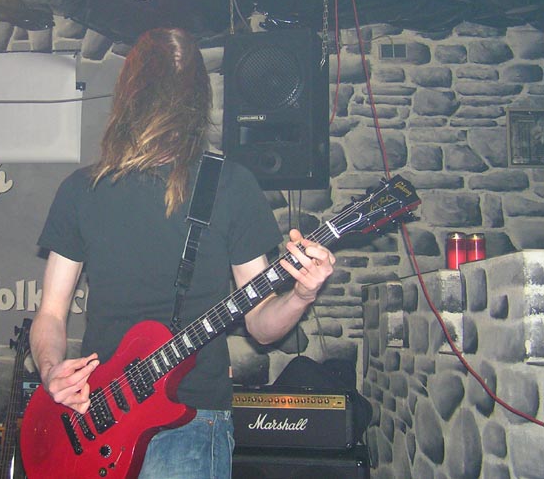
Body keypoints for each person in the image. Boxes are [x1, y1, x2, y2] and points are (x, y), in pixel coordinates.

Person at [29, 27, 336, 479]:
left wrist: (301, 296)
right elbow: (51, 315)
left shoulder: (228, 185)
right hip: (95, 419)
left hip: (189, 418)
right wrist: (52, 371)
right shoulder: (82, 190)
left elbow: (260, 324)